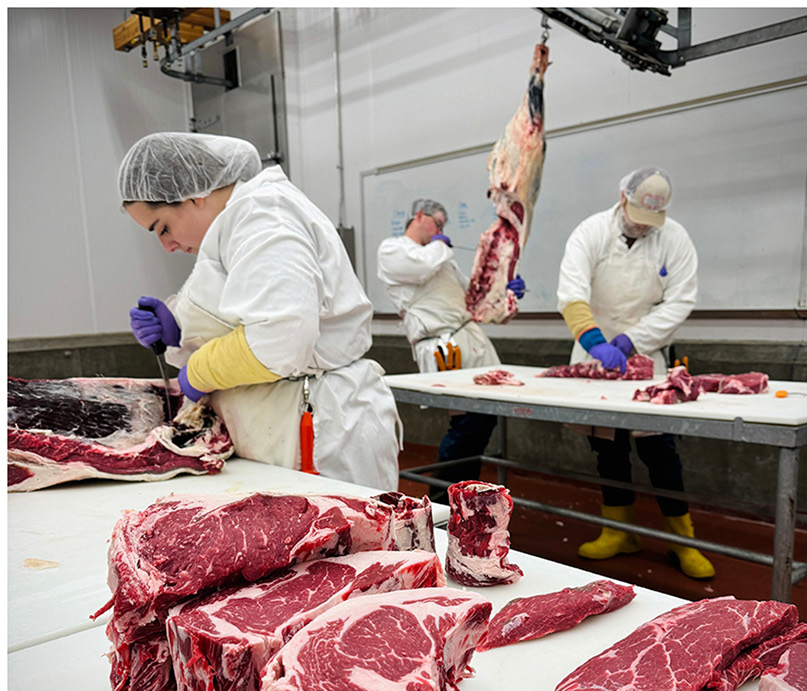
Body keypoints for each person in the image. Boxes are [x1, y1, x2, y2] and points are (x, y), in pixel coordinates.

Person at [121, 132, 401, 490]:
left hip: (319, 427)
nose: (167, 245)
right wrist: (178, 329)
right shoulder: (233, 229)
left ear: (193, 195)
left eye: (163, 228)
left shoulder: (264, 217)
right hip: (276, 423)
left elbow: (279, 339)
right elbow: (243, 316)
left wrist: (199, 370)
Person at [555, 167, 714, 579]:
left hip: (647, 353)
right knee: (608, 444)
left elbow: (681, 300)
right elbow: (571, 292)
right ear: (622, 197)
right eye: (637, 216)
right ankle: (619, 530)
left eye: (651, 222)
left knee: (659, 447)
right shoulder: (589, 232)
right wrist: (596, 343)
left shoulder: (675, 238)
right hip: (595, 348)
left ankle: (684, 541)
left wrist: (632, 341)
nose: (643, 227)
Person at [377, 198, 523, 502]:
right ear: (419, 216)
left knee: (484, 419)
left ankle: (464, 494)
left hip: (471, 339)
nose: (441, 230)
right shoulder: (393, 250)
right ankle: (444, 500)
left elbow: (473, 300)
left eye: (443, 227)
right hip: (443, 346)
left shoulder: (442, 257)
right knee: (467, 422)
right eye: (437, 224)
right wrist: (441, 245)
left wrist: (506, 293)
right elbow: (421, 267)